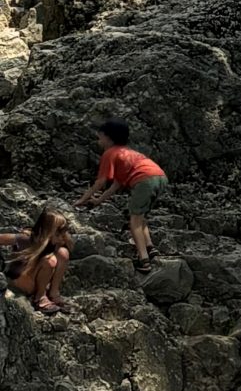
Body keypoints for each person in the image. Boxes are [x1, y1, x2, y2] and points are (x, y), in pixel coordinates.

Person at [76, 117, 166, 274]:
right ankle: (150, 247)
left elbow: (100, 182)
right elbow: (116, 184)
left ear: (108, 138)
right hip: (159, 177)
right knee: (140, 217)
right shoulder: (127, 153)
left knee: (134, 221)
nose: (98, 141)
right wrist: (98, 200)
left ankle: (144, 260)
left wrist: (82, 200)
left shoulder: (109, 153)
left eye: (100, 137)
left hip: (144, 180)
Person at [4, 208, 72, 315]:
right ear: (46, 233)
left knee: (63, 253)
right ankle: (40, 297)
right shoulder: (26, 239)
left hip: (35, 279)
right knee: (49, 261)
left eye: (63, 234)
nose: (61, 238)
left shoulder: (55, 245)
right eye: (58, 234)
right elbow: (2, 238)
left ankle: (53, 292)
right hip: (21, 279)